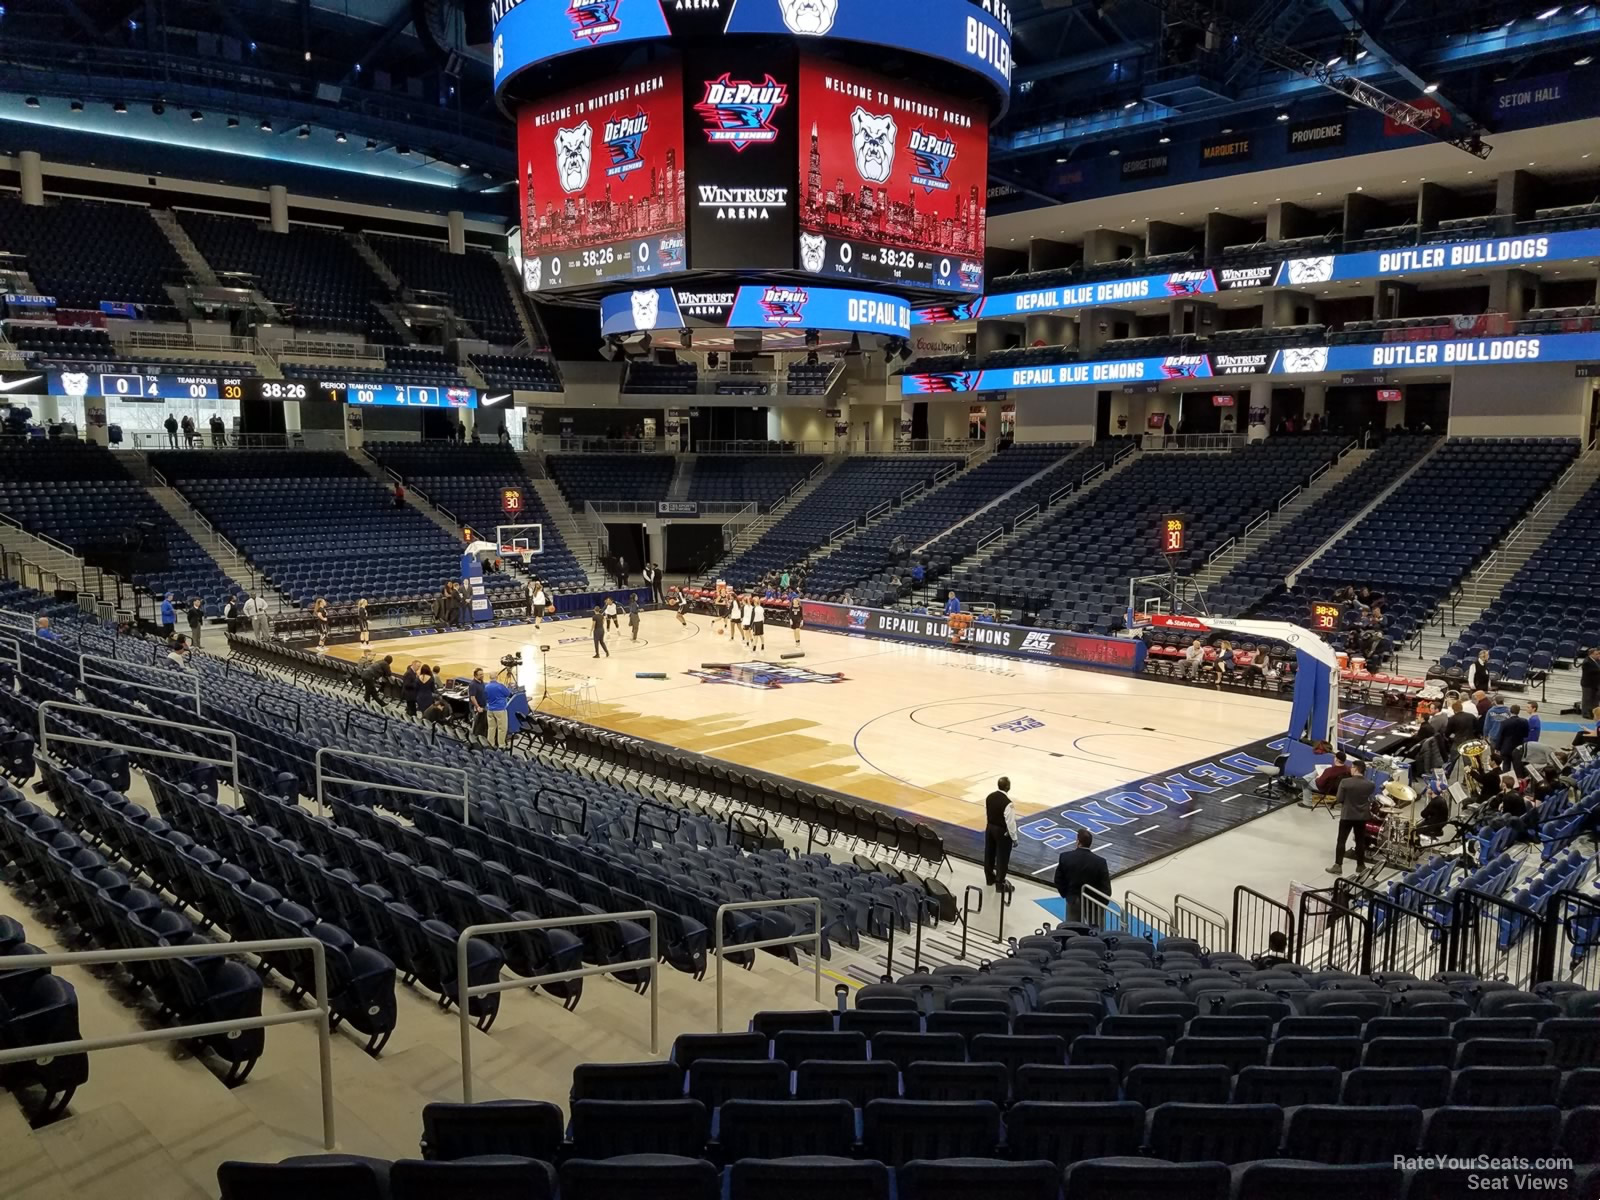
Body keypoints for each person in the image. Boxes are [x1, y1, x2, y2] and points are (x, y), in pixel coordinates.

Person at [1328, 759, 1377, 875]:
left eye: (1351, 767)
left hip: (1347, 815)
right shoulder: (1370, 784)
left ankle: (1338, 865)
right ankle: (1360, 865)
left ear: (1355, 769)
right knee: (1360, 841)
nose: (1350, 769)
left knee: (1341, 840)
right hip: (1361, 816)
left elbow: (1339, 799)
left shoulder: (1345, 782)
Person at [1054, 829, 1112, 923]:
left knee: (1072, 930)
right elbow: (1106, 887)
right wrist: (1101, 904)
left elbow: (1058, 880)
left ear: (1078, 842)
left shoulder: (1065, 857)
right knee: (1095, 932)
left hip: (1073, 900)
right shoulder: (1100, 862)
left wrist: (1067, 894)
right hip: (1093, 903)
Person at [982, 776, 1018, 890]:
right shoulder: (1008, 803)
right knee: (1002, 858)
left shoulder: (989, 797)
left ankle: (989, 879)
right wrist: (1014, 838)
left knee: (989, 853)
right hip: (1001, 831)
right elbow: (1010, 823)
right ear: (1008, 787)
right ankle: (1000, 884)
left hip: (989, 828)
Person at [484, 672, 511, 747]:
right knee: (502, 728)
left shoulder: (486, 686)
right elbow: (508, 694)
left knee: (491, 728)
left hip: (490, 709)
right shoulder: (500, 686)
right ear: (497, 677)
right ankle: (501, 745)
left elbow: (485, 697)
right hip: (500, 710)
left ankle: (490, 744)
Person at [467, 666, 488, 737]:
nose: (482, 676)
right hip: (476, 707)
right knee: (476, 723)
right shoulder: (473, 684)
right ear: (475, 675)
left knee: (482, 723)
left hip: (483, 706)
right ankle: (473, 737)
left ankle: (481, 736)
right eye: (480, 674)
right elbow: (472, 697)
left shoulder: (482, 682)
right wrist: (477, 707)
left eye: (482, 674)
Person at [1582, 647, 1600, 718]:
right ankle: (1586, 714)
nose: (1598, 655)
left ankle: (1595, 714)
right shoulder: (1587, 662)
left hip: (1596, 684)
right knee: (1587, 699)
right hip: (1588, 684)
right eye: (1596, 654)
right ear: (1591, 654)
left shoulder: (1597, 661)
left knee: (1595, 699)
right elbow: (1593, 671)